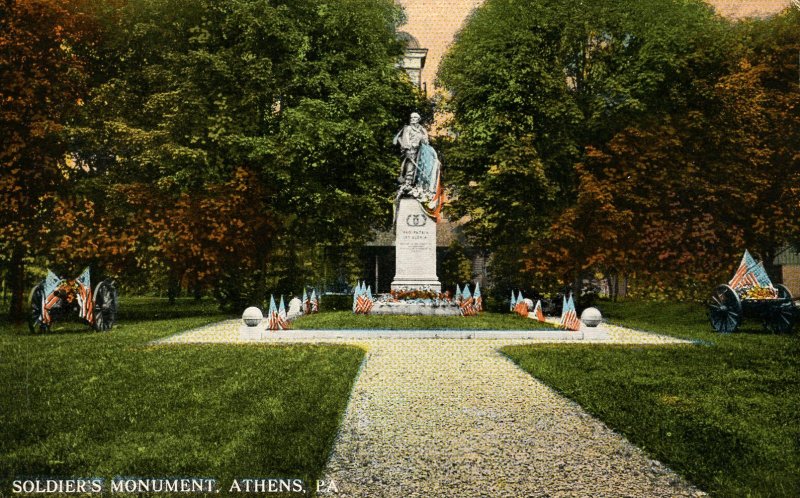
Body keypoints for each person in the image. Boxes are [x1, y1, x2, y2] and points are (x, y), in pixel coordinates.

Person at [393, 112, 429, 185]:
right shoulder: (408, 128)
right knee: (410, 166)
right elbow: (405, 140)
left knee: (420, 167)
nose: (412, 119)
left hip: (420, 152)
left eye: (414, 117)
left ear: (419, 119)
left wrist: (423, 140)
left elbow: (426, 142)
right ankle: (408, 182)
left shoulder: (422, 130)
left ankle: (417, 184)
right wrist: (408, 149)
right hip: (411, 151)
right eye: (411, 117)